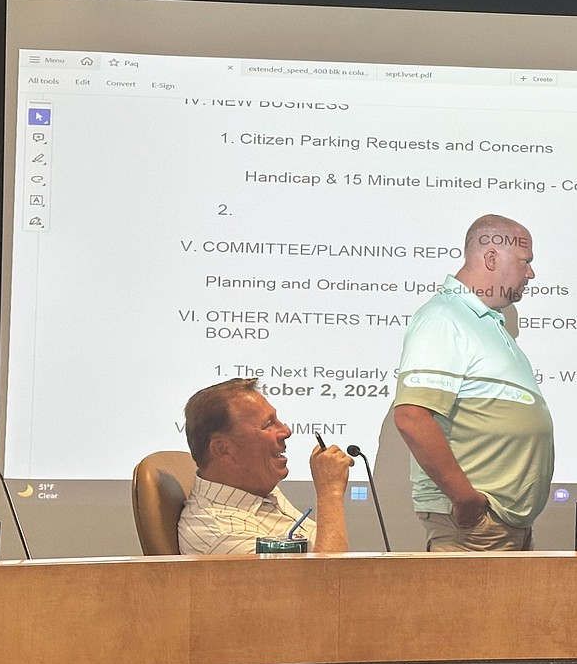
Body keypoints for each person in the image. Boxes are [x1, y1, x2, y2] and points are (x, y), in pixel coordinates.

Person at [392, 213, 555, 551]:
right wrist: (466, 501)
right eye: (525, 261)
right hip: (474, 527)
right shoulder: (444, 317)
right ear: (491, 258)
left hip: (500, 525)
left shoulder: (488, 323)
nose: (531, 273)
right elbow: (411, 417)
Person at [178, 377, 352, 554]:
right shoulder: (221, 532)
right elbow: (328, 579)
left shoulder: (254, 488)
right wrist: (331, 492)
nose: (286, 431)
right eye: (269, 424)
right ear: (224, 449)